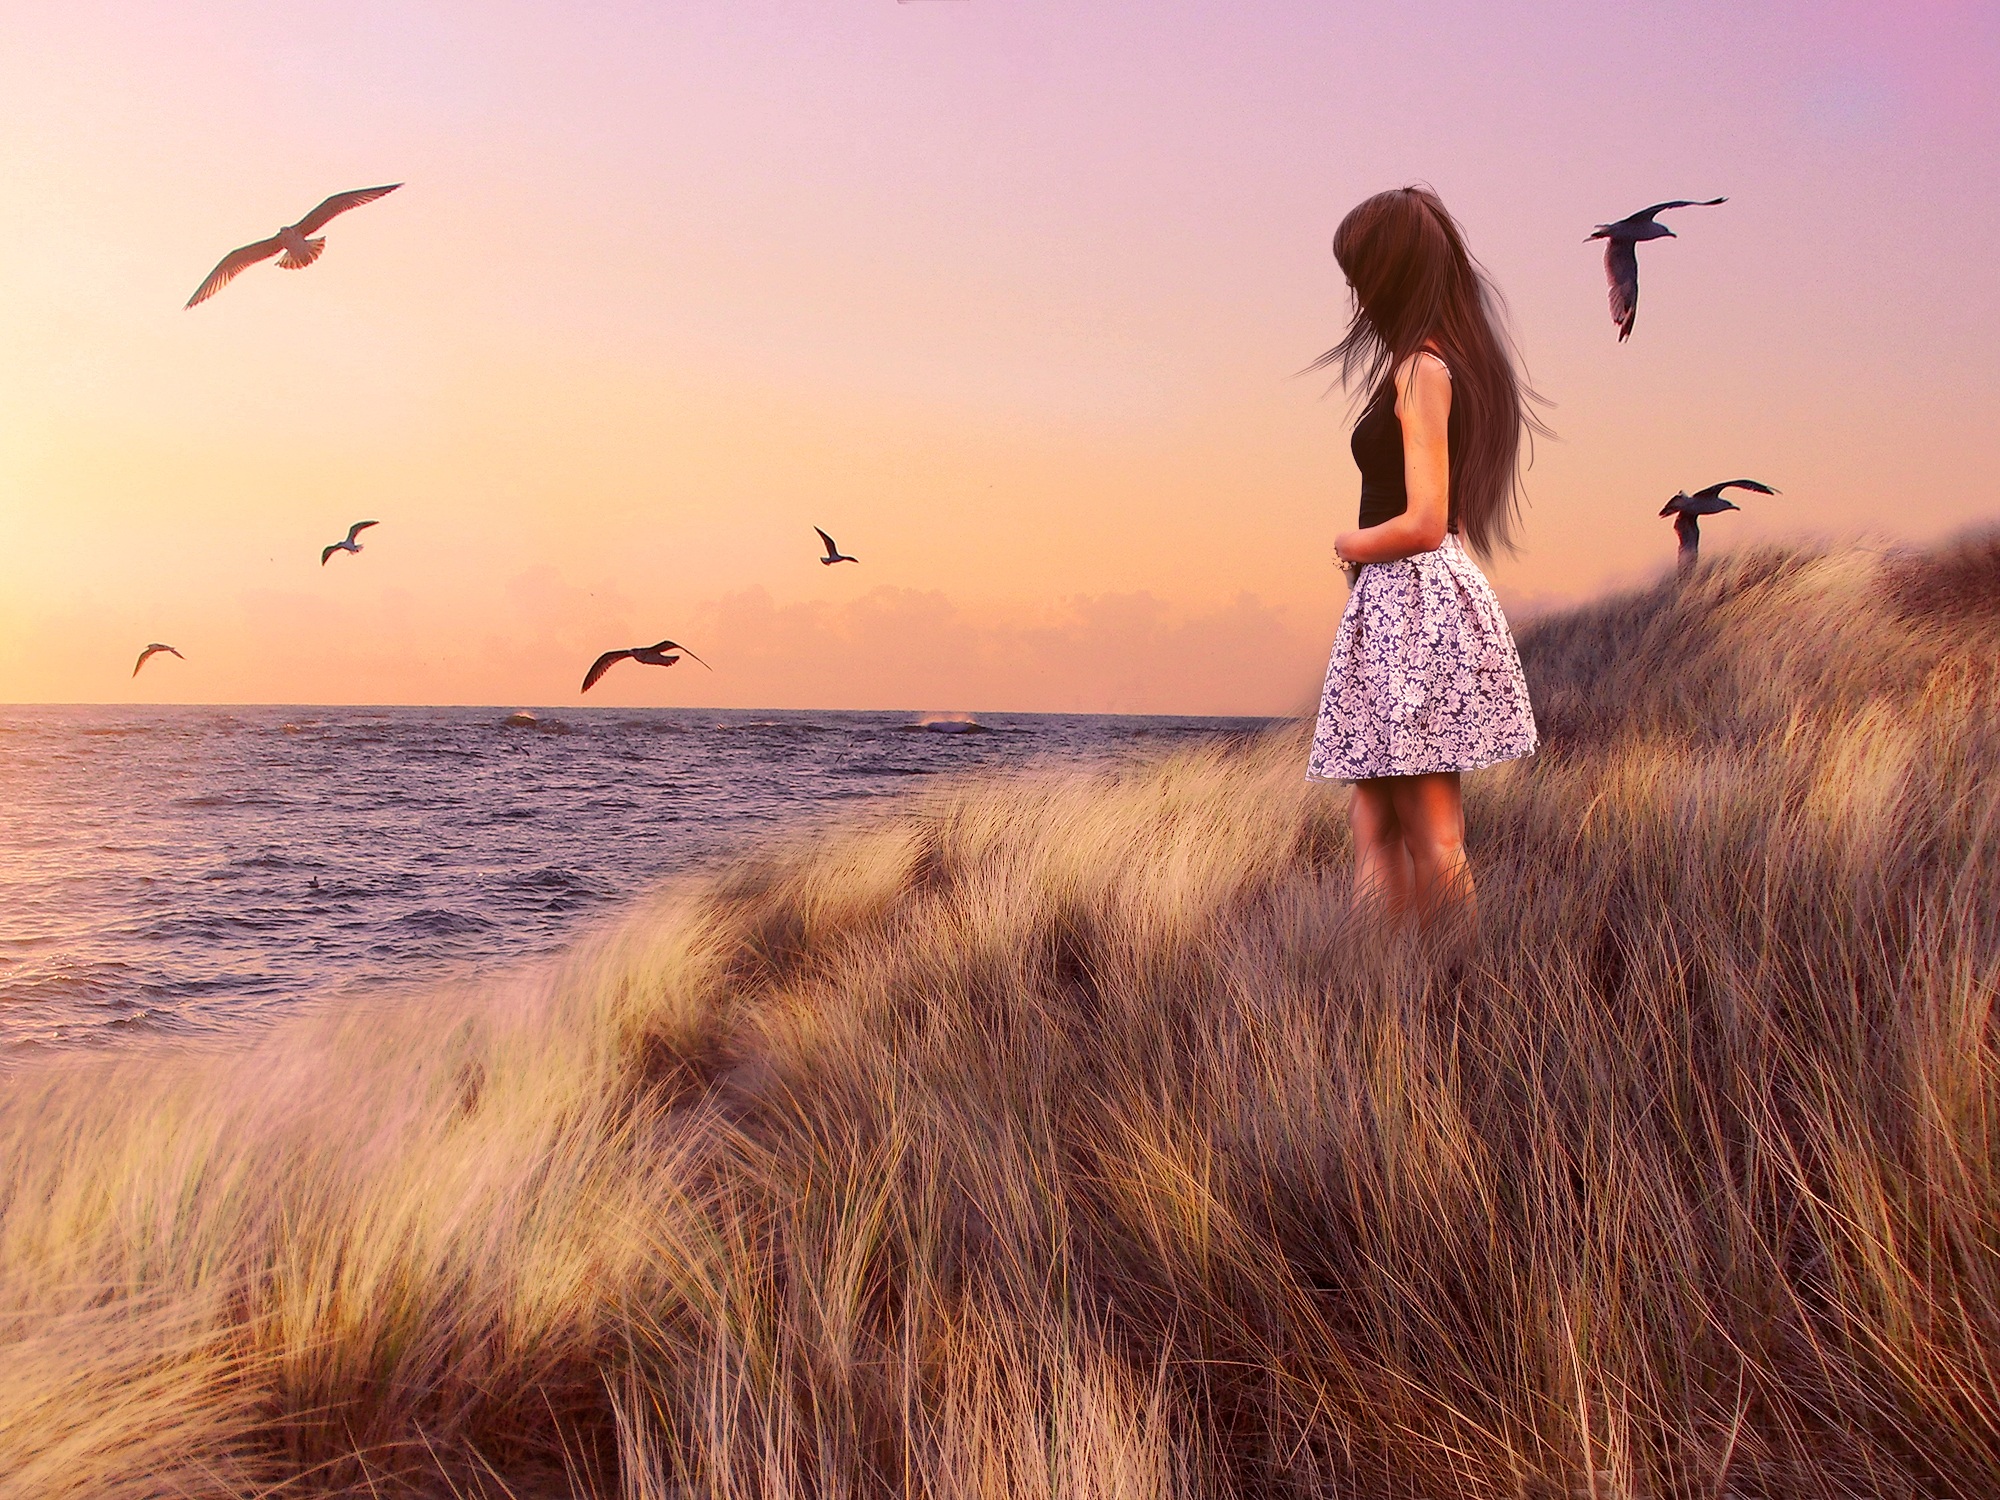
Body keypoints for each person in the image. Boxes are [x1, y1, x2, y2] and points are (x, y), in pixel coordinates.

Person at [1306, 185, 1545, 928]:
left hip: (1411, 603)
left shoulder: (1422, 371)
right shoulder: (1432, 365)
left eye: (1360, 273)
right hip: (1403, 606)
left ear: (1391, 273)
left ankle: (1452, 990)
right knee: (1376, 825)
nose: (1355, 293)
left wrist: (1348, 543)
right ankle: (1386, 982)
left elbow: (1427, 521)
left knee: (1433, 833)